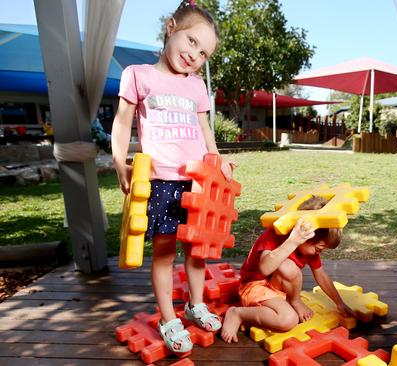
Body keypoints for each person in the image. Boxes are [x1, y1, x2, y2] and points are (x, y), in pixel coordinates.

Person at [111, 0, 232, 354]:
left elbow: (205, 131)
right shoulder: (138, 75)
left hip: (197, 181)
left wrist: (218, 161)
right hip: (161, 182)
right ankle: (168, 317)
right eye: (192, 41)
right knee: (164, 254)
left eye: (204, 52)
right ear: (171, 27)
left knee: (197, 251)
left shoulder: (196, 87)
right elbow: (121, 121)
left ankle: (195, 306)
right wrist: (120, 162)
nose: (195, 55)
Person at [220, 196, 356, 343]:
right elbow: (265, 268)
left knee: (290, 273)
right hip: (254, 286)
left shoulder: (309, 248)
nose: (318, 254)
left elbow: (321, 275)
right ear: (304, 236)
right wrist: (293, 241)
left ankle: (291, 301)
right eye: (318, 249)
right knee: (288, 319)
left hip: (275, 288)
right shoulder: (274, 236)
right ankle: (237, 313)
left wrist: (339, 303)